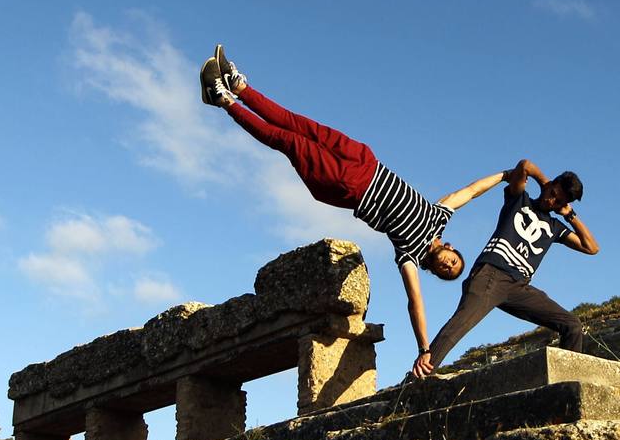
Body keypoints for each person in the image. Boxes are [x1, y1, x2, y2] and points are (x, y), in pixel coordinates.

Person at [201, 46, 504, 360]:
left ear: (433, 270)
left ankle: (222, 100)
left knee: (287, 140)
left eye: (445, 273)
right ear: (451, 248)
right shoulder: (439, 216)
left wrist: (424, 348)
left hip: (352, 186)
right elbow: (470, 191)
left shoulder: (408, 254)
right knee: (297, 123)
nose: (446, 266)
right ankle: (240, 86)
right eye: (453, 263)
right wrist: (506, 175)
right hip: (364, 159)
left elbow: (416, 302)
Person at [412, 158, 599, 379]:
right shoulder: (519, 200)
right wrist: (545, 183)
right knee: (458, 327)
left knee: (572, 325)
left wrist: (569, 215)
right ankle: (410, 386)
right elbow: (525, 165)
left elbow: (591, 247)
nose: (552, 201)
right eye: (553, 194)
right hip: (491, 275)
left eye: (559, 202)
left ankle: (567, 385)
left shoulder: (556, 227)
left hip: (518, 287)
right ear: (550, 185)